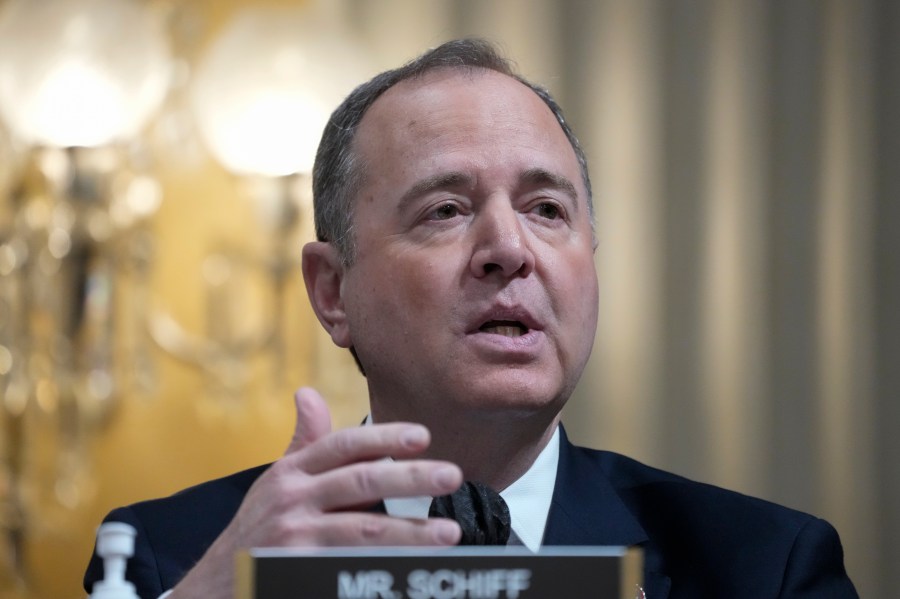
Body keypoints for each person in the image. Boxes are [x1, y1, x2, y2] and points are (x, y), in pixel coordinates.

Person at [84, 38, 857, 598]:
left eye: (546, 209)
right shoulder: (171, 558)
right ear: (331, 291)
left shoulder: (765, 567)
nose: (508, 249)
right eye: (447, 210)